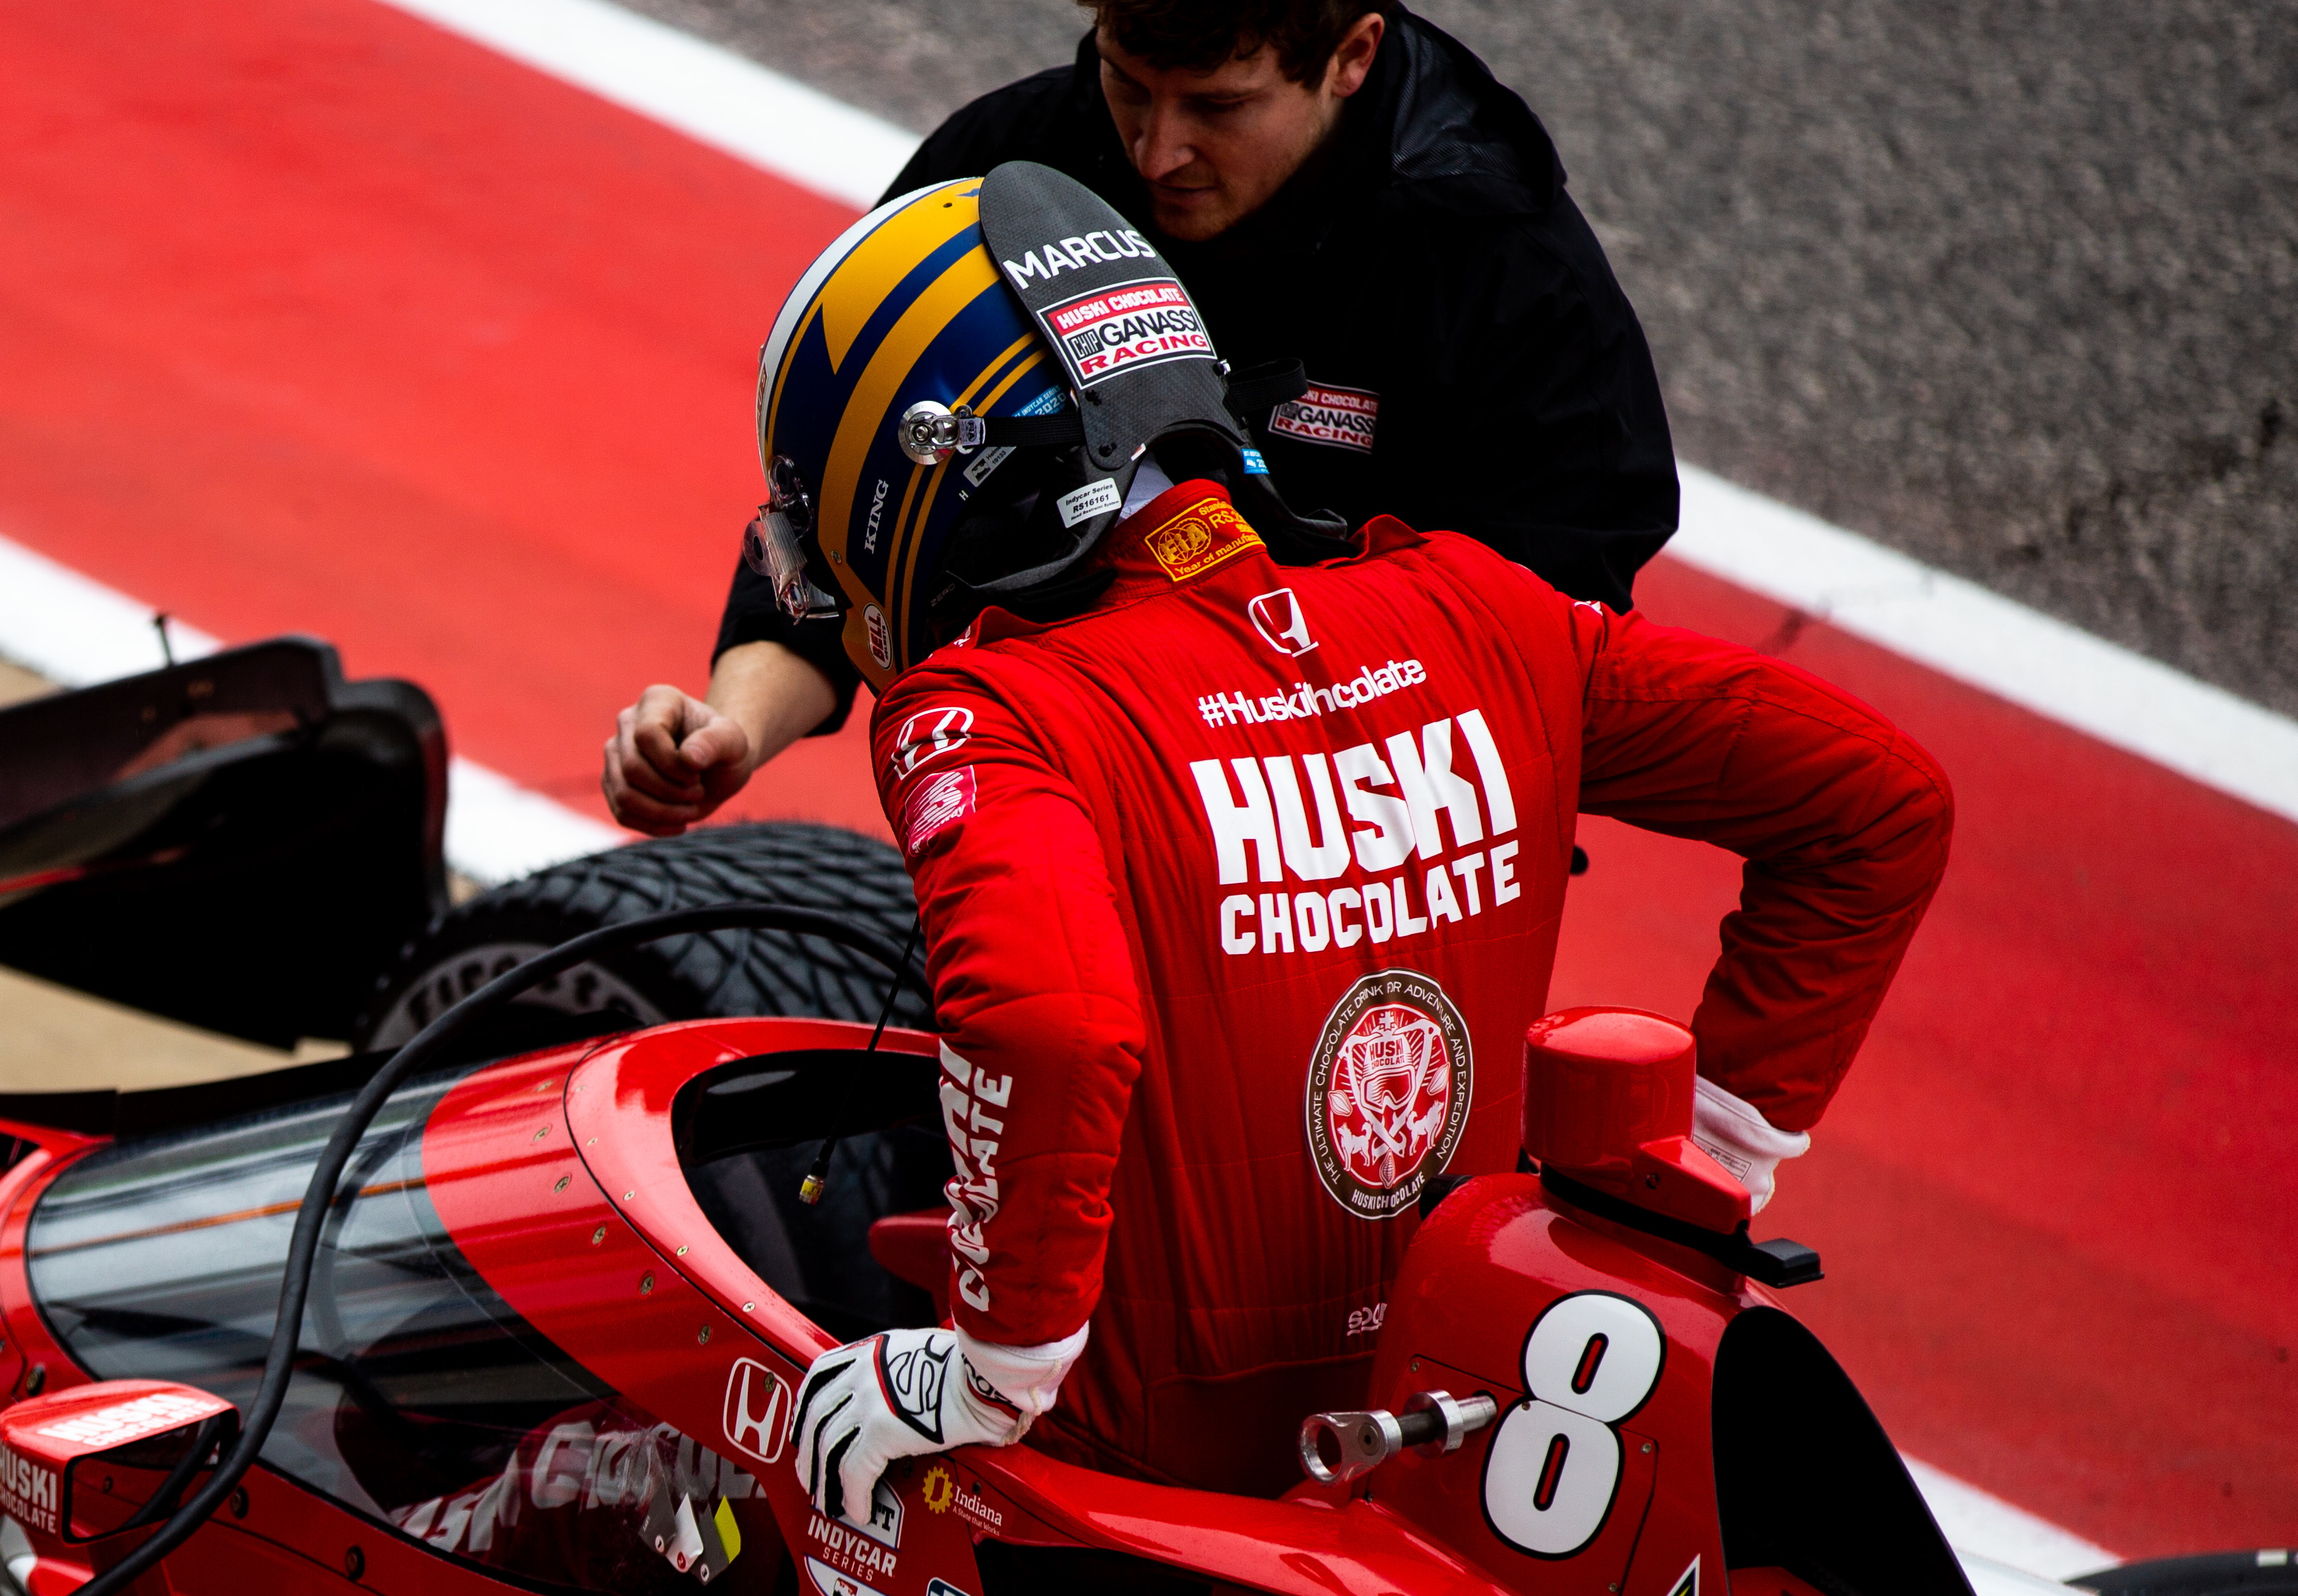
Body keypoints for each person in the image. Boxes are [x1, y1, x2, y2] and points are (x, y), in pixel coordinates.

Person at [750, 168, 1945, 1513]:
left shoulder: (985, 714)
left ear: (908, 479)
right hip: (1467, 1470)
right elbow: (1878, 806)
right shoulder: (1481, 611)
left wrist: (987, 1369)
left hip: (1142, 1538)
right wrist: (1701, 1181)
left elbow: (1050, 1029)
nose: (821, 583)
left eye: (809, 532)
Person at [606, 0, 1676, 835]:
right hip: (1055, 806)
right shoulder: (1004, 173)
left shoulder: (1495, 257)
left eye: (1218, 106)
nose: (1156, 151)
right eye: (1125, 84)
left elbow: (1558, 619)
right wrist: (729, 732)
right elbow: (845, 512)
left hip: (1365, 836)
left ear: (1352, 55)